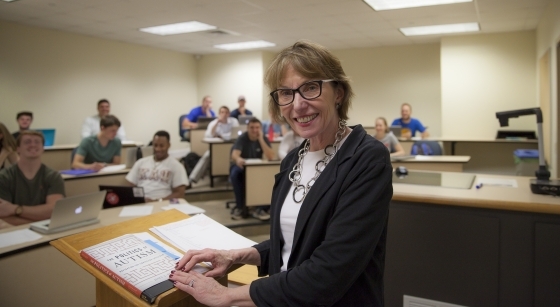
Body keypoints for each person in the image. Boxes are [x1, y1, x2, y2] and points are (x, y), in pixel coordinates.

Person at [170, 40, 392, 306]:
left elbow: (329, 272)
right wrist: (235, 256)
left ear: (339, 92)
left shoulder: (366, 157)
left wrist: (227, 296)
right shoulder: (292, 160)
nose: (297, 105)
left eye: (311, 87)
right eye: (285, 93)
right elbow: (291, 246)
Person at [0, 130, 65, 226]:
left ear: (43, 148)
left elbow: (53, 210)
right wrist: (39, 222)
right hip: (15, 233)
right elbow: (4, 215)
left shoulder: (53, 176)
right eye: (27, 142)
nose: (33, 145)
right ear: (18, 149)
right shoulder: (4, 177)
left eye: (37, 142)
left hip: (46, 232)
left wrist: (16, 209)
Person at [229, 118, 274, 221]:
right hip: (241, 166)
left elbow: (270, 156)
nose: (254, 130)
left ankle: (261, 207)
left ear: (261, 129)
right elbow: (235, 155)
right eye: (252, 128)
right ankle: (240, 207)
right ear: (247, 128)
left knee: (268, 174)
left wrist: (261, 140)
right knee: (235, 174)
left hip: (256, 167)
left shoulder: (263, 138)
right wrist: (239, 159)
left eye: (257, 128)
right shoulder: (242, 138)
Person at [126, 131, 189, 202]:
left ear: (168, 145)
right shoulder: (140, 162)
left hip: (163, 203)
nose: (158, 149)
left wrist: (158, 201)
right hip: (141, 202)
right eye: (155, 145)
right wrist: (139, 199)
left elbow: (180, 193)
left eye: (161, 146)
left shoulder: (176, 166)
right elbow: (130, 187)